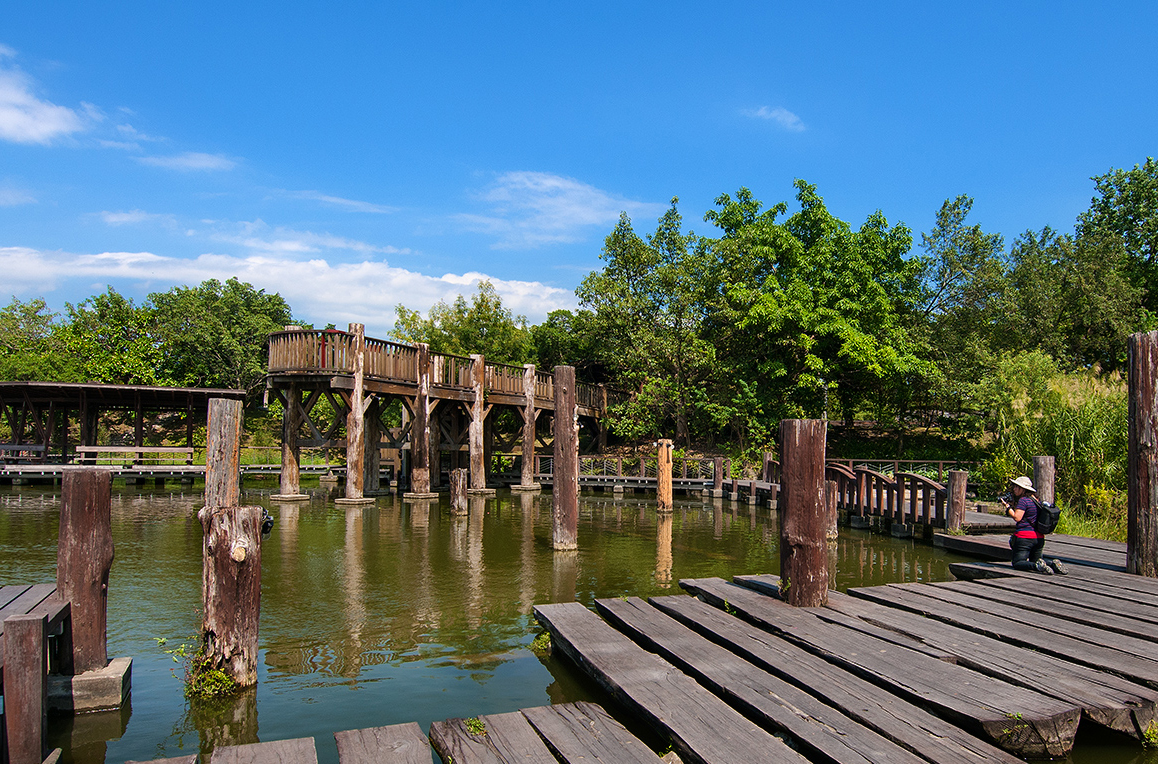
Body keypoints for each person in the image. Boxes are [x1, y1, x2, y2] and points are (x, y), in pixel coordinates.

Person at [1000, 476, 1067, 575]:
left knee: (1018, 563)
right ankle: (1052, 564)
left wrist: (1008, 507)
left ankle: (1036, 567)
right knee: (1037, 559)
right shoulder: (1036, 500)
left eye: (1016, 487)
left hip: (1024, 537)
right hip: (1039, 538)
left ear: (1022, 489)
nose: (1014, 489)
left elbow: (1017, 517)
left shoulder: (1023, 501)